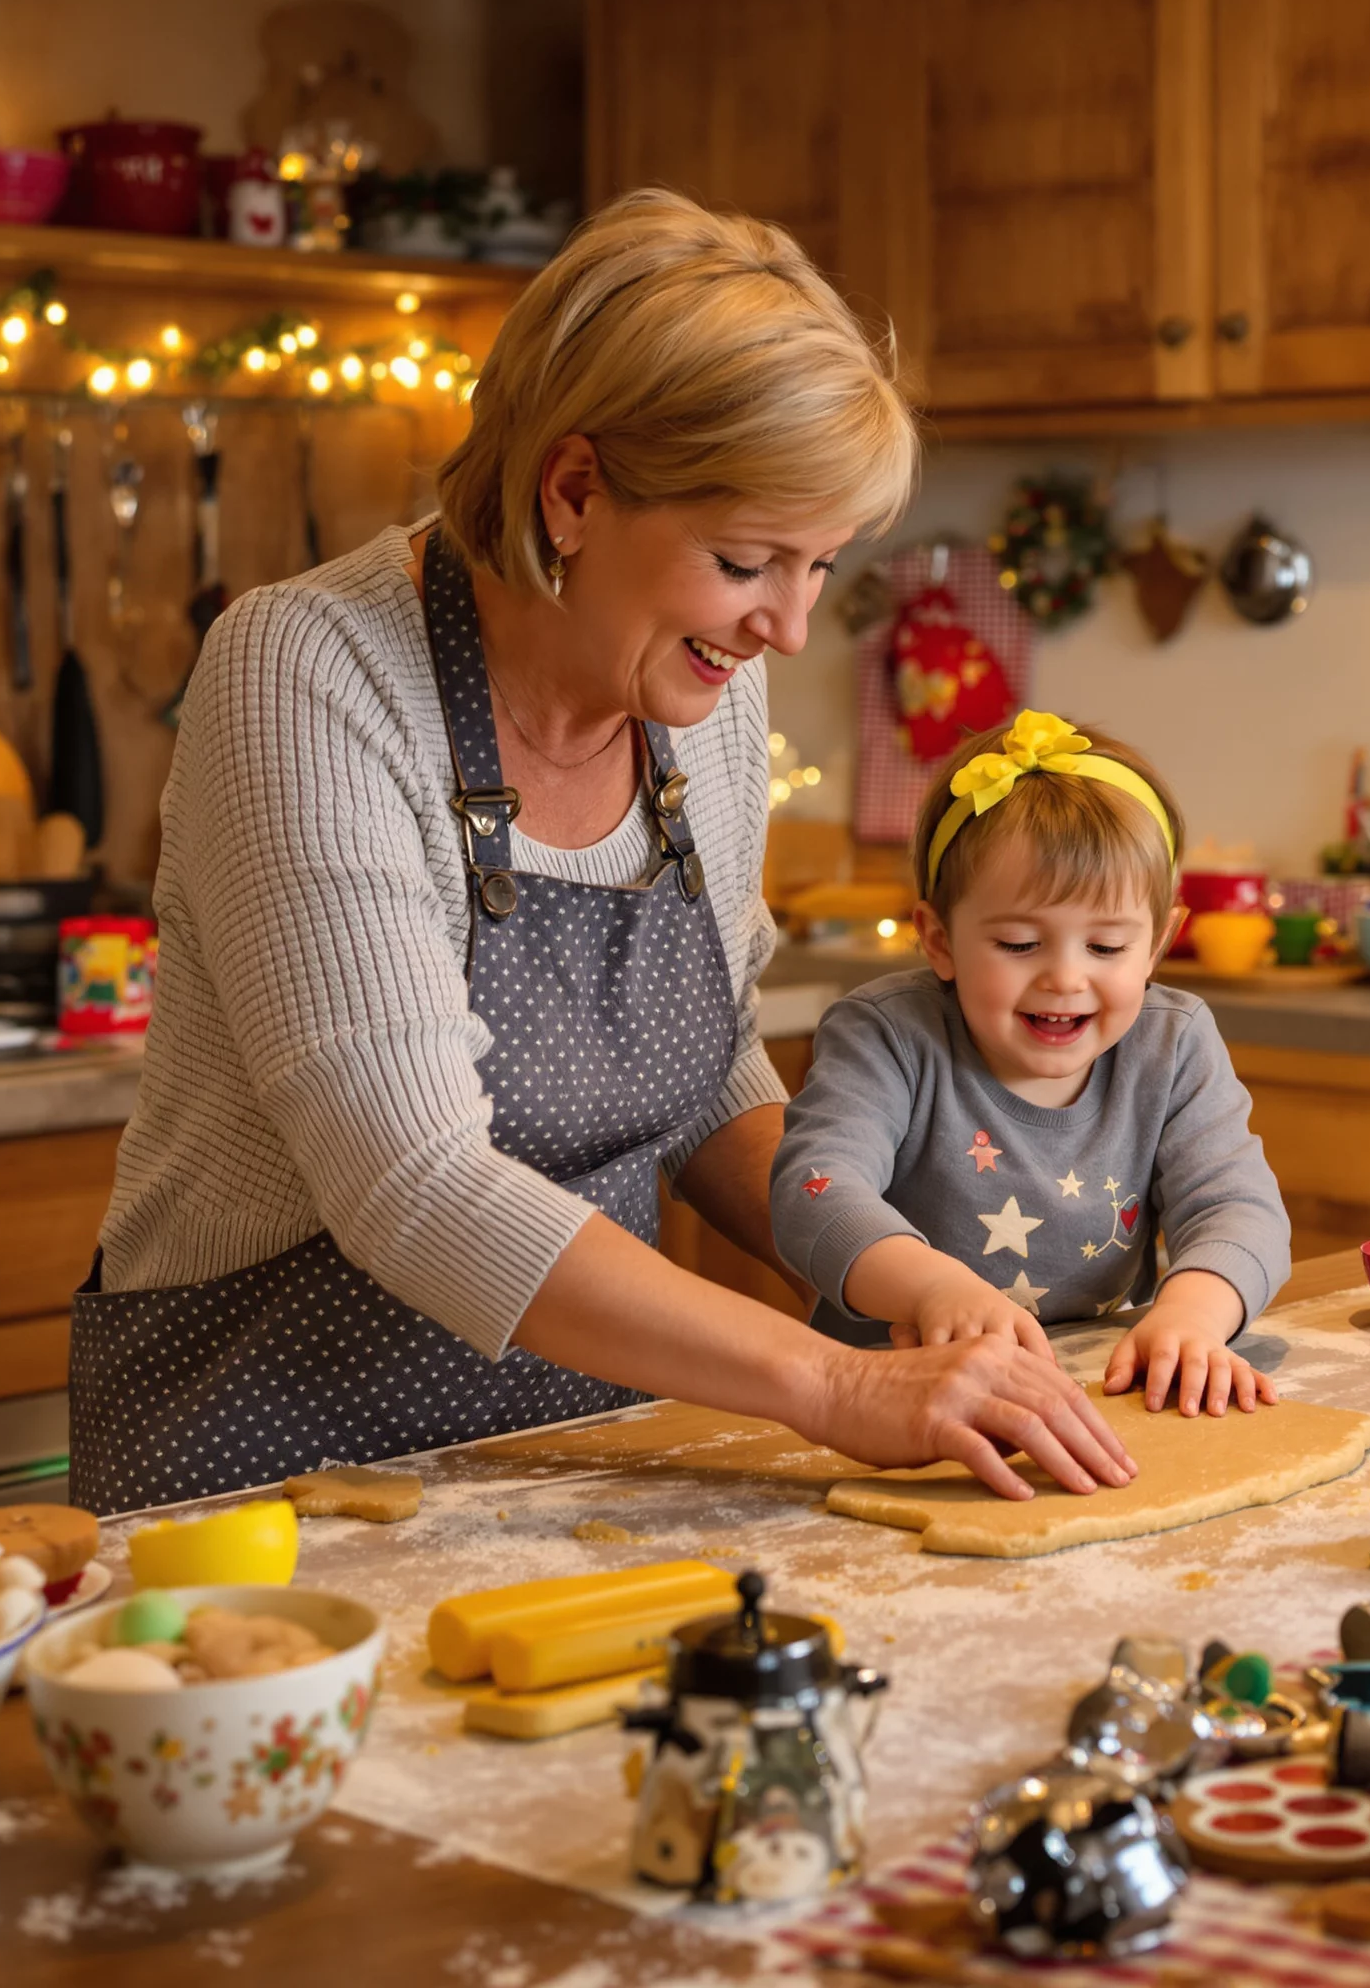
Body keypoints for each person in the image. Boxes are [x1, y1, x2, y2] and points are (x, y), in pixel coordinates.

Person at [69, 193, 1136, 1515]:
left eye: (819, 567)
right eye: (748, 559)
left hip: (568, 1464)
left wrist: (900, 1268)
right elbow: (413, 1183)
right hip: (262, 1475)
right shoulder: (309, 669)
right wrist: (837, 1386)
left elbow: (701, 1082)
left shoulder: (700, 690)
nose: (789, 630)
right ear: (572, 491)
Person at [771, 710, 1290, 1414]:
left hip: (1095, 1396)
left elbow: (1240, 1210)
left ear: (1160, 941)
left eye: (1106, 948)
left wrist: (1194, 1316)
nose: (1066, 978)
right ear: (940, 938)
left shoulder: (1173, 1046)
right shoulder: (888, 1036)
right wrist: (930, 1289)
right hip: (893, 1404)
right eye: (1019, 943)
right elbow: (815, 1192)